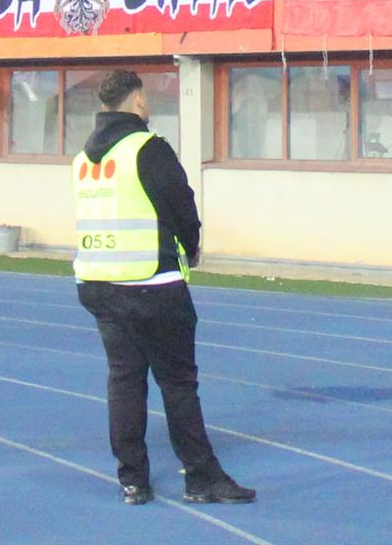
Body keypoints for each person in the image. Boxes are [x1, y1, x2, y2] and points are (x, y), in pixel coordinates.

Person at [70, 68, 254, 508]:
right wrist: (192, 246)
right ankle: (201, 477)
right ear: (137, 101)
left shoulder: (83, 160)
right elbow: (180, 204)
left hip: (98, 282)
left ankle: (133, 480)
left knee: (124, 381)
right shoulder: (147, 148)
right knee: (178, 383)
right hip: (151, 283)